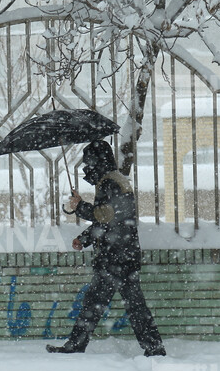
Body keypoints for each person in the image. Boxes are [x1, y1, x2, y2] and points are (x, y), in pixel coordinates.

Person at [47, 140, 166, 356]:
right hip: (124, 254)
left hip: (115, 257)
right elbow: (111, 222)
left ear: (97, 162)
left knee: (96, 304)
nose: (86, 168)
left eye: (89, 162)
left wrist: (80, 206)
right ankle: (153, 347)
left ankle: (76, 345)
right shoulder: (116, 180)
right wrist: (84, 238)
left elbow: (106, 216)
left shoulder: (110, 183)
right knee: (132, 306)